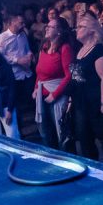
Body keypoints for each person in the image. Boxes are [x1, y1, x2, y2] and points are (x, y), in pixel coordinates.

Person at [72, 14, 103, 164]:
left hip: (96, 103)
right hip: (80, 103)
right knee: (85, 141)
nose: (77, 30)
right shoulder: (80, 50)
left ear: (92, 31)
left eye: (81, 27)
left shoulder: (99, 50)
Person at [34, 16, 75, 150]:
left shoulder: (64, 48)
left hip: (57, 97)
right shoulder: (44, 47)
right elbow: (39, 72)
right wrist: (36, 88)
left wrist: (55, 94)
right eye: (47, 25)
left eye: (50, 26)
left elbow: (69, 75)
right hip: (43, 96)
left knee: (61, 134)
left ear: (59, 31)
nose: (47, 28)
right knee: (47, 134)